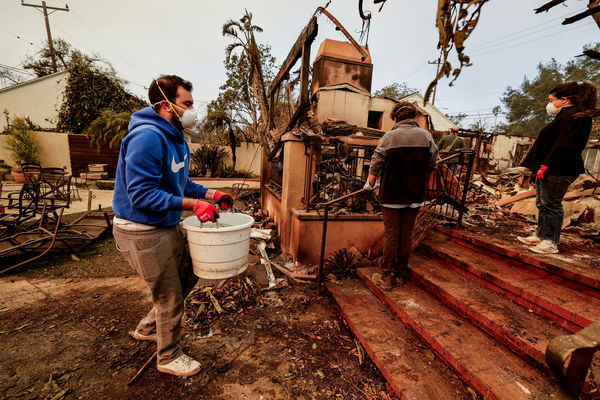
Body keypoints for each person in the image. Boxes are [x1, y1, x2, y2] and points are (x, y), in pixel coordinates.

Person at [112, 75, 234, 377]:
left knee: (189, 274)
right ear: (167, 105)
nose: (193, 110)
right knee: (170, 296)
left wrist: (211, 195)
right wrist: (194, 205)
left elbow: (180, 181)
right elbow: (141, 194)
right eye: (187, 104)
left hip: (163, 226)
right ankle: (168, 356)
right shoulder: (147, 137)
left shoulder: (174, 136)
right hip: (142, 231)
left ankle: (148, 328)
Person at [364, 102, 438, 290]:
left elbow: (377, 160)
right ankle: (401, 272)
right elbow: (432, 162)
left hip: (392, 194)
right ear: (413, 118)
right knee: (406, 235)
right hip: (414, 194)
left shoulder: (390, 136)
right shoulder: (426, 136)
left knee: (391, 234)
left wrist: (370, 183)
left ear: (396, 118)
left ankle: (387, 276)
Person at [518, 81, 597, 254]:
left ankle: (550, 242)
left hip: (560, 168)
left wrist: (546, 165)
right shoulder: (565, 115)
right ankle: (540, 235)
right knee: (543, 203)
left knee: (552, 205)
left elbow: (564, 144)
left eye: (552, 100)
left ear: (564, 99)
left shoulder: (574, 116)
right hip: (550, 167)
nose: (550, 104)